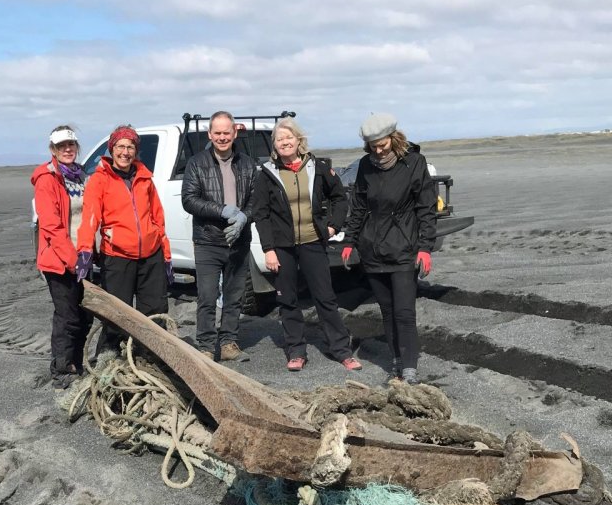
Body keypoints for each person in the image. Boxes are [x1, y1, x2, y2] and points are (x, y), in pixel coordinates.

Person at [252, 117, 362, 373]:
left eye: (288, 137)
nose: (284, 142)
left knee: (325, 298)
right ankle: (296, 351)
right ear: (274, 145)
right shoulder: (266, 174)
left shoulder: (317, 167)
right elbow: (261, 214)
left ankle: (341, 351)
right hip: (282, 247)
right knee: (288, 300)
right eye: (279, 139)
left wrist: (333, 226)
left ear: (298, 140)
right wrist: (269, 249)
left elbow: (339, 198)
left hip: (313, 242)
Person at [341, 113, 438, 385]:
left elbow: (426, 208)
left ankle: (410, 368)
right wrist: (349, 241)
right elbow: (359, 206)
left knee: (404, 312)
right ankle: (396, 362)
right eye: (373, 146)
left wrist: (425, 248)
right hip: (373, 249)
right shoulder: (365, 166)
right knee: (387, 311)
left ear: (394, 139)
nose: (378, 151)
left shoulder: (414, 163)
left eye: (382, 145)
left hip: (404, 248)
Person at [75, 125, 174, 354]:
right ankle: (107, 360)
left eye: (130, 147)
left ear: (136, 151)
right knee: (117, 315)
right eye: (120, 146)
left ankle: (151, 359)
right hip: (117, 257)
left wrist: (166, 255)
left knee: (155, 312)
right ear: (112, 149)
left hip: (151, 256)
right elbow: (90, 218)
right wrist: (85, 250)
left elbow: (158, 220)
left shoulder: (145, 178)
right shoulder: (100, 180)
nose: (125, 152)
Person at [181, 111, 258, 361]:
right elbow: (189, 199)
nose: (222, 137)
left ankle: (228, 344)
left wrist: (244, 216)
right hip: (208, 240)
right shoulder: (196, 163)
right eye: (218, 133)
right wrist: (222, 210)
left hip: (239, 240)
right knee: (207, 296)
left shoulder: (247, 164)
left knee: (234, 296)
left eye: (227, 132)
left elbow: (257, 200)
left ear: (234, 133)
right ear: (210, 134)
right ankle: (205, 346)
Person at [31, 125, 93, 388]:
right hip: (60, 260)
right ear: (53, 150)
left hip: (84, 257)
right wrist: (72, 261)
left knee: (85, 315)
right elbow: (51, 226)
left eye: (71, 144)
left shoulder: (82, 177)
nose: (67, 149)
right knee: (67, 316)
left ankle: (76, 363)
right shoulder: (47, 179)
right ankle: (62, 369)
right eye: (61, 146)